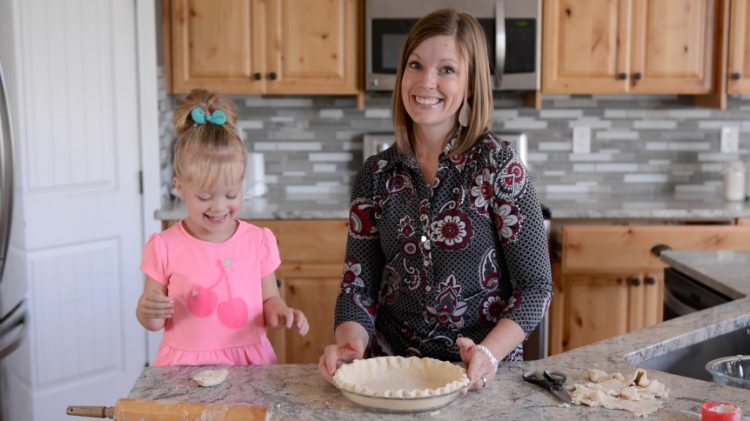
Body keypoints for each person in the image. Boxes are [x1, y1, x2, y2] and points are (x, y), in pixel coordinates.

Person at [319, 9, 552, 392]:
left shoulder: (498, 166)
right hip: (396, 380)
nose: (426, 81)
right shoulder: (375, 176)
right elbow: (357, 285)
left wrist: (489, 353)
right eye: (416, 65)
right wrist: (352, 343)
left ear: (471, 85)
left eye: (447, 69)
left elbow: (535, 288)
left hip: (480, 379)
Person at [136, 89, 309, 366]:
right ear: (179, 188)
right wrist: (147, 309)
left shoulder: (258, 241)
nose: (218, 207)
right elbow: (154, 322)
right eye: (205, 197)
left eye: (231, 195)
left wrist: (280, 312)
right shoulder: (163, 246)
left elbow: (269, 301)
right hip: (184, 369)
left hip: (248, 366)